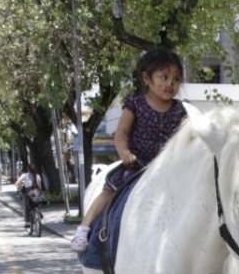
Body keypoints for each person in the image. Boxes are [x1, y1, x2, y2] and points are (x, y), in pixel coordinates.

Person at [70, 47, 187, 252]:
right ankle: (84, 228)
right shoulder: (135, 103)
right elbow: (122, 133)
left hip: (169, 168)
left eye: (176, 79)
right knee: (110, 190)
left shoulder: (182, 109)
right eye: (164, 77)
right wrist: (124, 153)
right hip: (137, 164)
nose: (170, 83)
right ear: (146, 78)